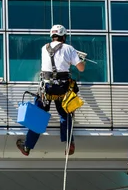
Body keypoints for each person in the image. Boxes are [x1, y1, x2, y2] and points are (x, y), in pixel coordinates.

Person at [16, 24, 85, 157]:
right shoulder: (69, 49)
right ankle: (69, 143)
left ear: (52, 36)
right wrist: (80, 59)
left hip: (46, 89)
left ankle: (27, 146)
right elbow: (81, 68)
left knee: (38, 115)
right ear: (63, 37)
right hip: (62, 89)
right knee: (65, 114)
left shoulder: (44, 48)